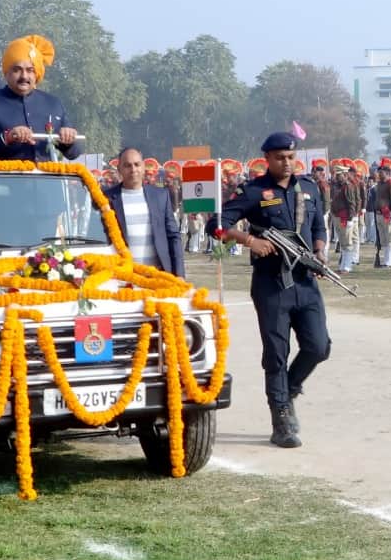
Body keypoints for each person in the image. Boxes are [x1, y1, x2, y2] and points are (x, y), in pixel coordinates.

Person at [211, 131, 329, 448]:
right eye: (280, 157)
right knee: (276, 354)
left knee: (319, 346)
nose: (287, 162)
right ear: (268, 159)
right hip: (271, 284)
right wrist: (248, 239)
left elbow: (318, 225)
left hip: (305, 281)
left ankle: (288, 390)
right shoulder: (253, 191)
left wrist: (319, 251)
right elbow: (217, 224)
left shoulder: (309, 189)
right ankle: (281, 420)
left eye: (291, 157)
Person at [0, 36, 80, 162]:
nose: (24, 76)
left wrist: (69, 140)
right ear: (6, 72)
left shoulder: (53, 103)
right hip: (2, 180)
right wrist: (7, 137)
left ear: (36, 74)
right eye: (17, 70)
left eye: (30, 70)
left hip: (46, 180)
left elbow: (74, 154)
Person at [104, 147, 184, 276]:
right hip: (123, 277)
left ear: (143, 167)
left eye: (137, 164)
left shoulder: (160, 196)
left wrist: (179, 275)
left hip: (158, 275)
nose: (133, 169)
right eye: (127, 165)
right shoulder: (107, 198)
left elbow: (174, 236)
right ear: (119, 169)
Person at [371, 161, 391, 268]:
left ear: (386, 173)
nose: (378, 174)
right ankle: (384, 260)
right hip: (378, 213)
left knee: (389, 238)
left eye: (381, 172)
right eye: (379, 172)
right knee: (383, 239)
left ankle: (388, 261)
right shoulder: (379, 184)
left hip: (387, 213)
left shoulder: (390, 183)